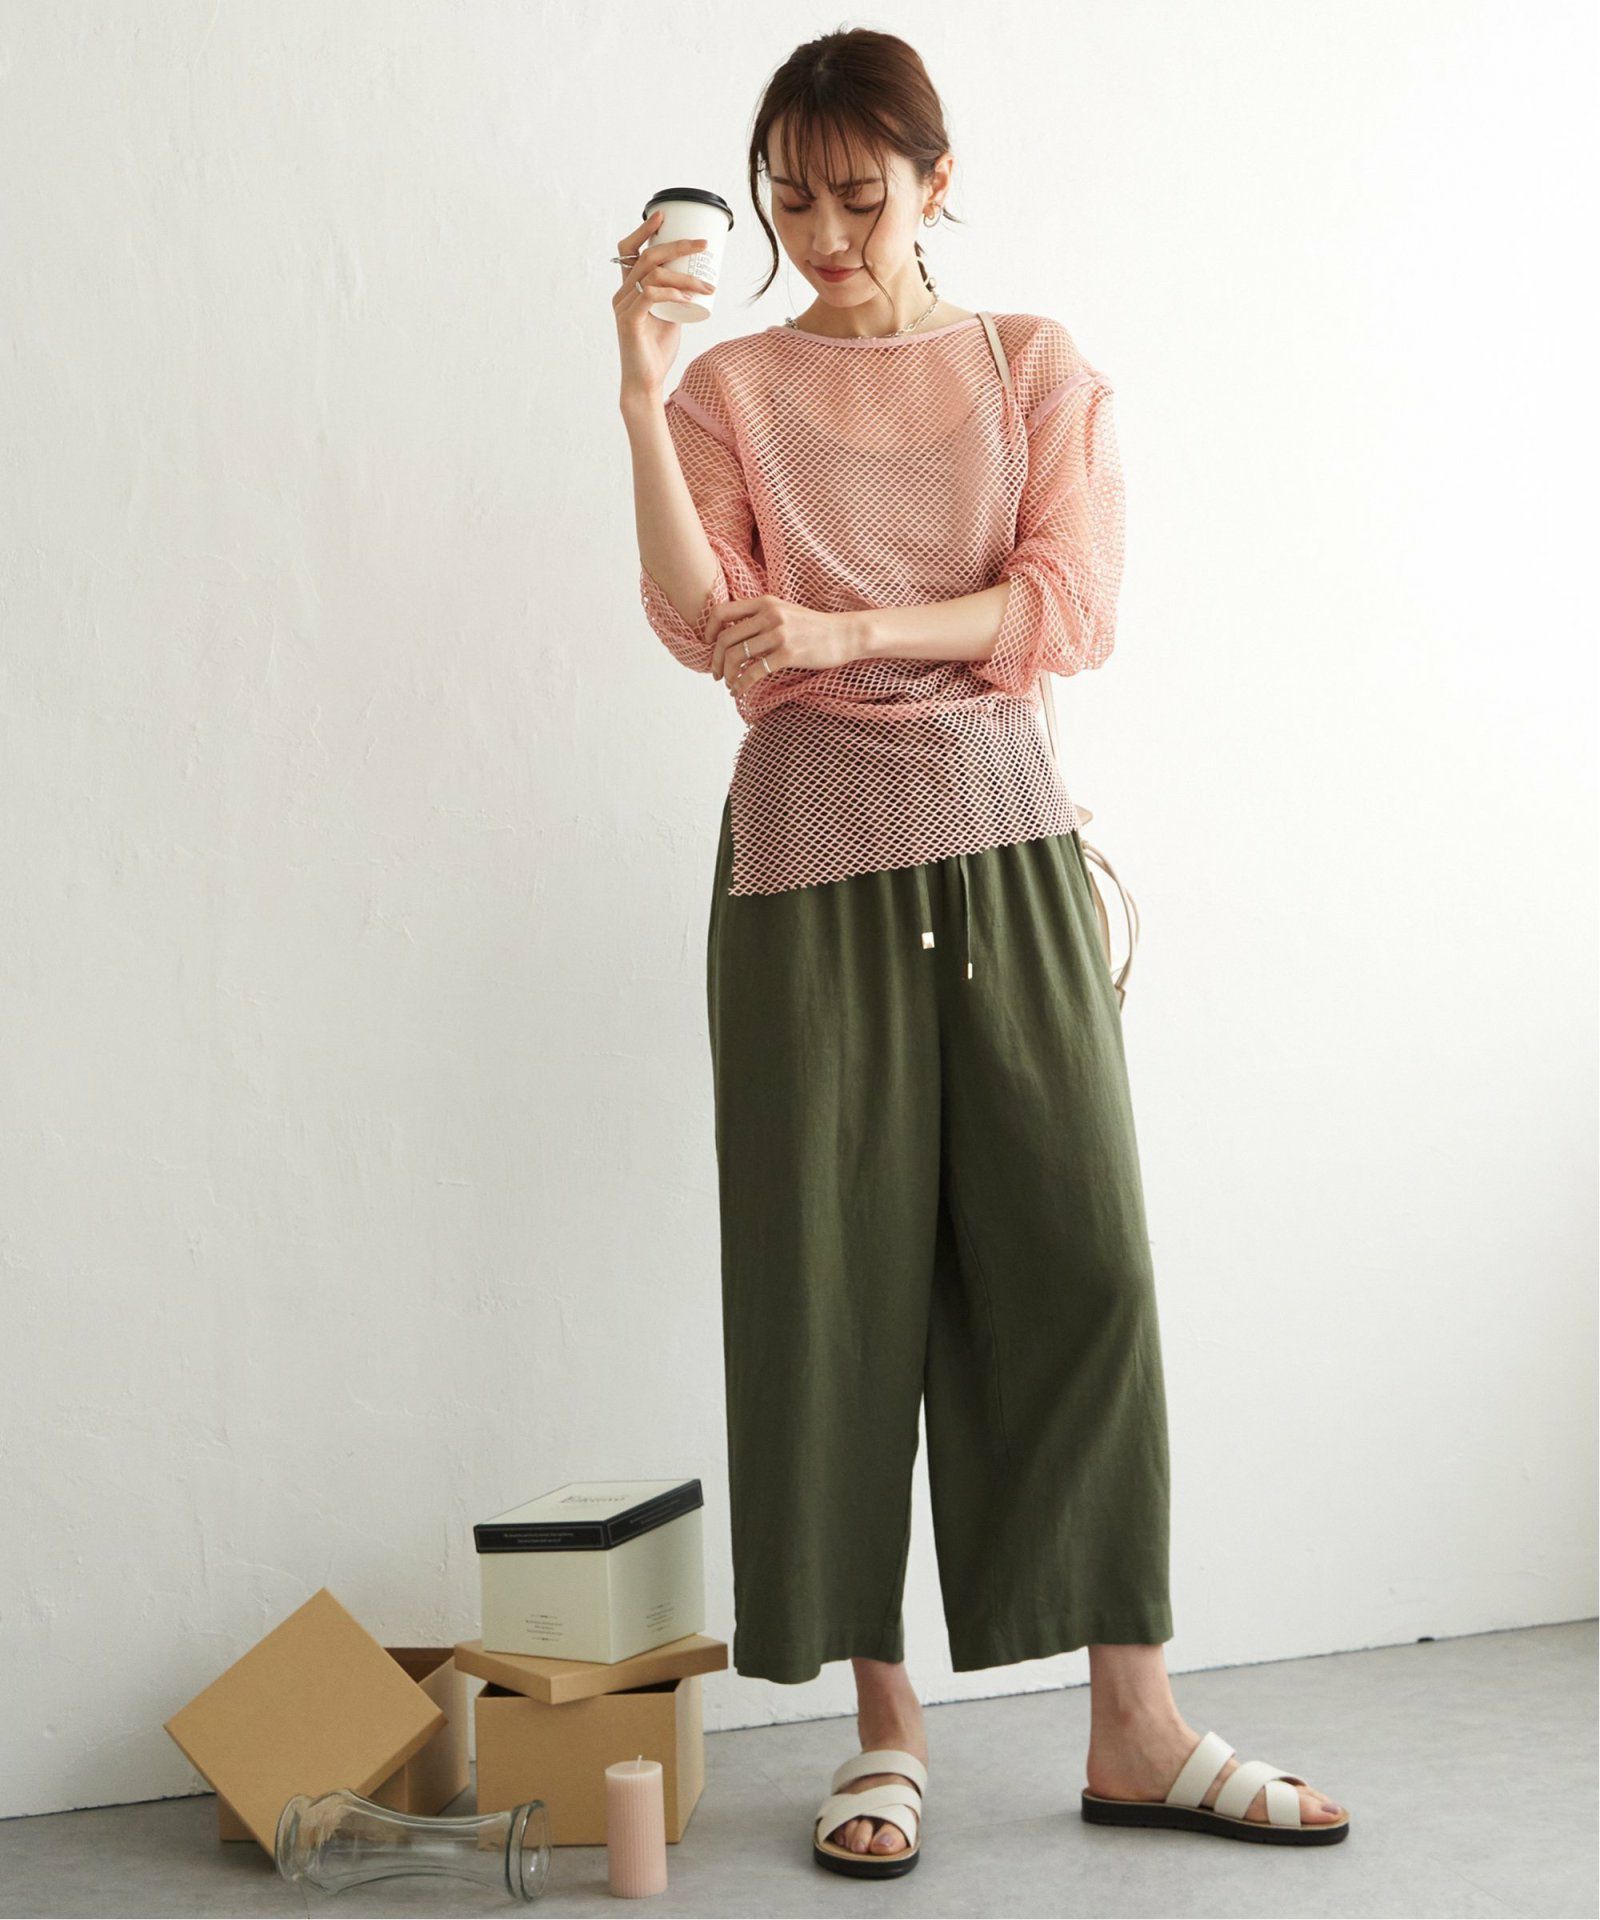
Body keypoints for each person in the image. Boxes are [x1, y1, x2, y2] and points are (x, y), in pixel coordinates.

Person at [614, 24, 1348, 1876]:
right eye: (792, 202)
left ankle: (1136, 1726)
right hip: (805, 870)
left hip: (1009, 851)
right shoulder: (732, 387)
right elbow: (706, 625)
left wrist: (848, 637)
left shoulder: (1032, 367)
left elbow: (1067, 607)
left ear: (939, 182)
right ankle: (885, 1730)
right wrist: (635, 390)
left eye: (860, 197)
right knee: (834, 1283)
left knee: (1082, 1264)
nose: (823, 235)